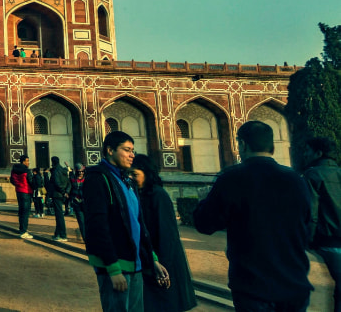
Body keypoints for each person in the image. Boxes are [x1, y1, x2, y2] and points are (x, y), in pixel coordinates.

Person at [194, 121, 312, 311]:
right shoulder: (295, 179)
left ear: (242, 144)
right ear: (272, 146)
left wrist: (202, 200)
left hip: (252, 284)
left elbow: (205, 225)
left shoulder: (231, 178)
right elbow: (308, 223)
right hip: (294, 281)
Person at [85, 131, 169, 312]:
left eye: (133, 150)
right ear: (110, 150)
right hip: (115, 264)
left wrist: (152, 258)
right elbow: (97, 225)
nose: (132, 155)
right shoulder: (98, 179)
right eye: (126, 150)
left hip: (135, 263)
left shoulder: (127, 181)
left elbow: (139, 224)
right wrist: (113, 268)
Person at [131, 154, 196, 312]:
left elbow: (167, 234)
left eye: (135, 174)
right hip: (150, 260)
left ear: (147, 173)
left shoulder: (158, 195)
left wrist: (162, 265)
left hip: (164, 263)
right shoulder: (138, 195)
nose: (131, 178)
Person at [303, 136, 341, 312]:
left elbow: (311, 213)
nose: (305, 154)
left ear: (318, 153)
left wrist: (307, 241)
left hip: (328, 242)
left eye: (308, 150)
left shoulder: (313, 174)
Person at [47, 156, 71, 241]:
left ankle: (63, 235)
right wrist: (66, 192)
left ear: (52, 162)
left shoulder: (56, 171)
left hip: (57, 194)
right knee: (59, 215)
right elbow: (69, 183)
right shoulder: (63, 170)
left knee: (59, 215)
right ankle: (57, 234)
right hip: (62, 194)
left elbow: (57, 183)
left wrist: (63, 191)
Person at [10, 154, 33, 239]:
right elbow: (30, 181)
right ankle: (24, 231)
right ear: (23, 161)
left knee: (21, 210)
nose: (28, 162)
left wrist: (18, 185)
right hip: (26, 191)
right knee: (26, 212)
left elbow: (12, 180)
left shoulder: (14, 169)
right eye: (27, 161)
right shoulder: (27, 170)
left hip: (19, 191)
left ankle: (21, 229)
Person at [69, 163, 86, 240]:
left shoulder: (87, 179)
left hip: (86, 202)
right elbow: (69, 188)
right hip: (76, 202)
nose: (81, 173)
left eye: (82, 171)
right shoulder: (73, 179)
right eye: (79, 172)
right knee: (81, 221)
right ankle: (86, 239)